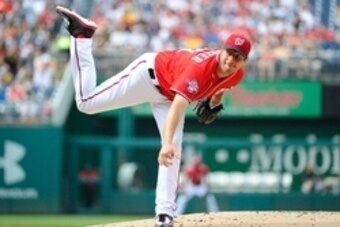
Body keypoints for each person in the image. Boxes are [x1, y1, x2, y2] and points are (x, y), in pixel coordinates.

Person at [56, 5, 252, 227]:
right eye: (229, 53)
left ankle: (164, 213)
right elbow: (179, 105)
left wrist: (216, 101)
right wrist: (166, 143)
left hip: (167, 93)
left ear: (244, 61)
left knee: (175, 150)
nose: (231, 60)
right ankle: (82, 36)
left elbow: (215, 94)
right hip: (149, 76)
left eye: (238, 57)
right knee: (86, 103)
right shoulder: (202, 68)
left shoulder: (236, 75)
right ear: (221, 50)